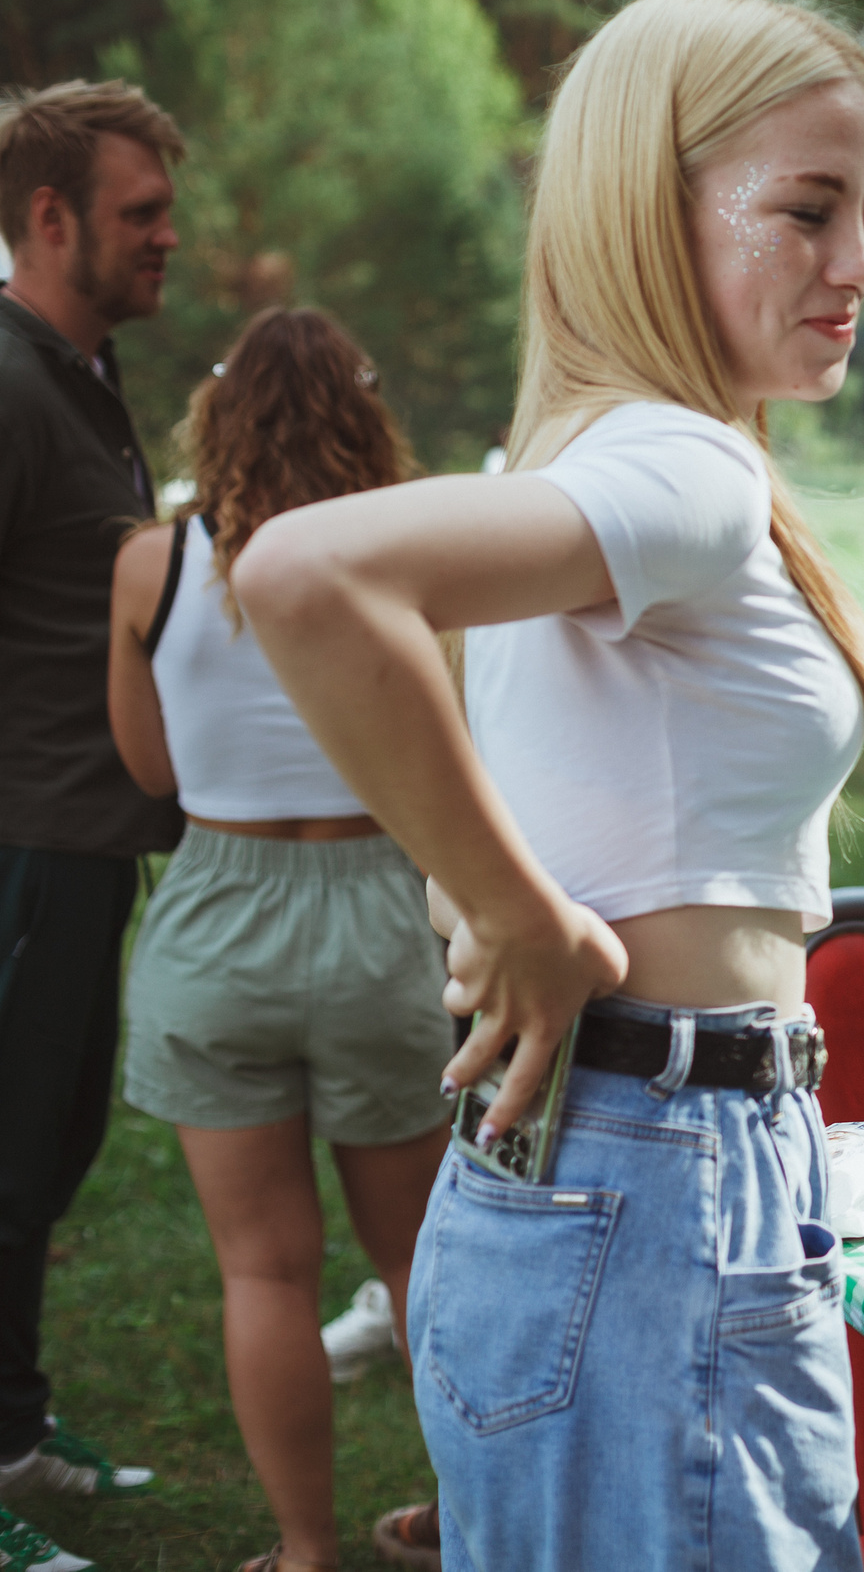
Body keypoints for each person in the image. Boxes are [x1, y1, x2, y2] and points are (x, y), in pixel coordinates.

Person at [232, 0, 864, 1572]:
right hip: (654, 1182)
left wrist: (491, 890)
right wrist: (517, 912)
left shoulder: (599, 456)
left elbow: (522, 776)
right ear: (649, 211)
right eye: (809, 212)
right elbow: (301, 576)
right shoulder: (680, 466)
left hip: (594, 1180)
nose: (863, 267)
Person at [106, 308, 453, 1572]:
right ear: (364, 417)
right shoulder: (406, 554)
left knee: (262, 1272)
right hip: (374, 909)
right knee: (420, 1257)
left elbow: (146, 763)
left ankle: (306, 1551)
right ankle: (467, 1515)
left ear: (219, 414)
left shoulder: (154, 561)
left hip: (215, 915)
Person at [0, 79, 186, 1572]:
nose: (167, 236)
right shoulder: (6, 385)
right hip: (21, 847)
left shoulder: (80, 376)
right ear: (48, 217)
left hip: (80, 843)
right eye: (141, 212)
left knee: (41, 1154)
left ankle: (10, 1423)